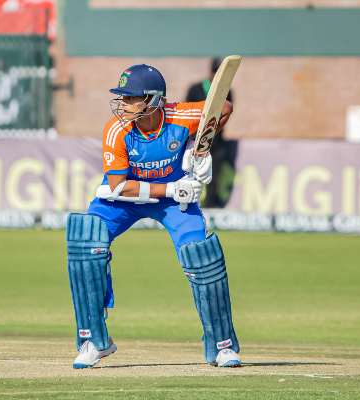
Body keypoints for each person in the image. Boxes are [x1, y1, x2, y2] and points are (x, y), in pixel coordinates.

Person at [66, 64, 241, 369]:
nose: (123, 104)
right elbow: (119, 185)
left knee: (201, 256)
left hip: (174, 203)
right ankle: (94, 340)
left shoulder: (179, 116)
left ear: (154, 99)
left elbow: (223, 108)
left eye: (131, 98)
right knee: (86, 237)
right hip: (129, 199)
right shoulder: (116, 130)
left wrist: (198, 148)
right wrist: (173, 187)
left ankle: (222, 345)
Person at [186, 57, 235, 208]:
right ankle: (189, 201)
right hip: (196, 140)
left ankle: (211, 204)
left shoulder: (226, 91)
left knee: (214, 174)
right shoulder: (196, 89)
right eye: (214, 72)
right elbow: (188, 111)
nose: (215, 76)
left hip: (217, 141)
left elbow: (228, 112)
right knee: (192, 173)